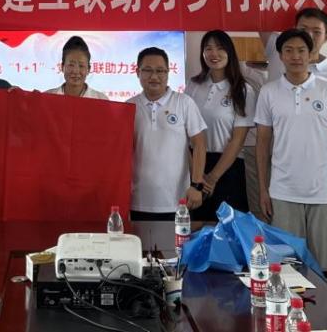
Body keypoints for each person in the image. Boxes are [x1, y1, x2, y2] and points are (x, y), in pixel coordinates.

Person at [255, 29, 327, 268]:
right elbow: (262, 142)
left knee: (326, 265)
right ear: (280, 56)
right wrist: (263, 189)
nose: (295, 56)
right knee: (286, 267)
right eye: (288, 51)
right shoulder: (269, 92)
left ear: (311, 54)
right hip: (282, 192)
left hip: (323, 192)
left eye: (301, 50)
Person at [128, 47, 207, 220]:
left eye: (160, 71)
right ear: (137, 72)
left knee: (178, 239)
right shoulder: (129, 106)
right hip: (138, 200)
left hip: (178, 200)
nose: (154, 76)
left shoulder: (184, 102)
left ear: (168, 73)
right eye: (147, 70)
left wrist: (197, 185)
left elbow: (199, 144)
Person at [187, 30, 257, 219]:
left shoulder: (243, 90)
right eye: (208, 48)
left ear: (229, 52)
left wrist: (212, 178)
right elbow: (184, 132)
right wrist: (196, 174)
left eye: (219, 48)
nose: (214, 54)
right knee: (194, 226)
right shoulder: (193, 85)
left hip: (228, 167)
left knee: (228, 228)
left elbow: (237, 141)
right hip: (195, 166)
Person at [264, 8, 327, 95]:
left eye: (316, 32)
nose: (308, 35)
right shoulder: (277, 51)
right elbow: (259, 16)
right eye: (303, 30)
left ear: (326, 37)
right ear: (294, 30)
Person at [44, 35, 109, 99]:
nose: (75, 71)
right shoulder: (46, 98)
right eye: (71, 65)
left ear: (88, 69)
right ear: (62, 67)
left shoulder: (101, 99)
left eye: (81, 66)